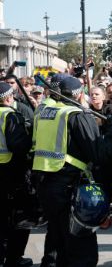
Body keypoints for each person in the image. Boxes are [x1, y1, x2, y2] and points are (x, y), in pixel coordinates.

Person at [33, 76, 105, 266]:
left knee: (56, 237)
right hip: (68, 184)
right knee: (79, 241)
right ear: (80, 94)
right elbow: (96, 152)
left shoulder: (46, 112)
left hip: (46, 182)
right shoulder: (76, 115)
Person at [0, 82, 33, 267]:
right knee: (19, 220)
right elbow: (19, 146)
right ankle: (14, 258)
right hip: (10, 175)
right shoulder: (10, 116)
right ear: (8, 98)